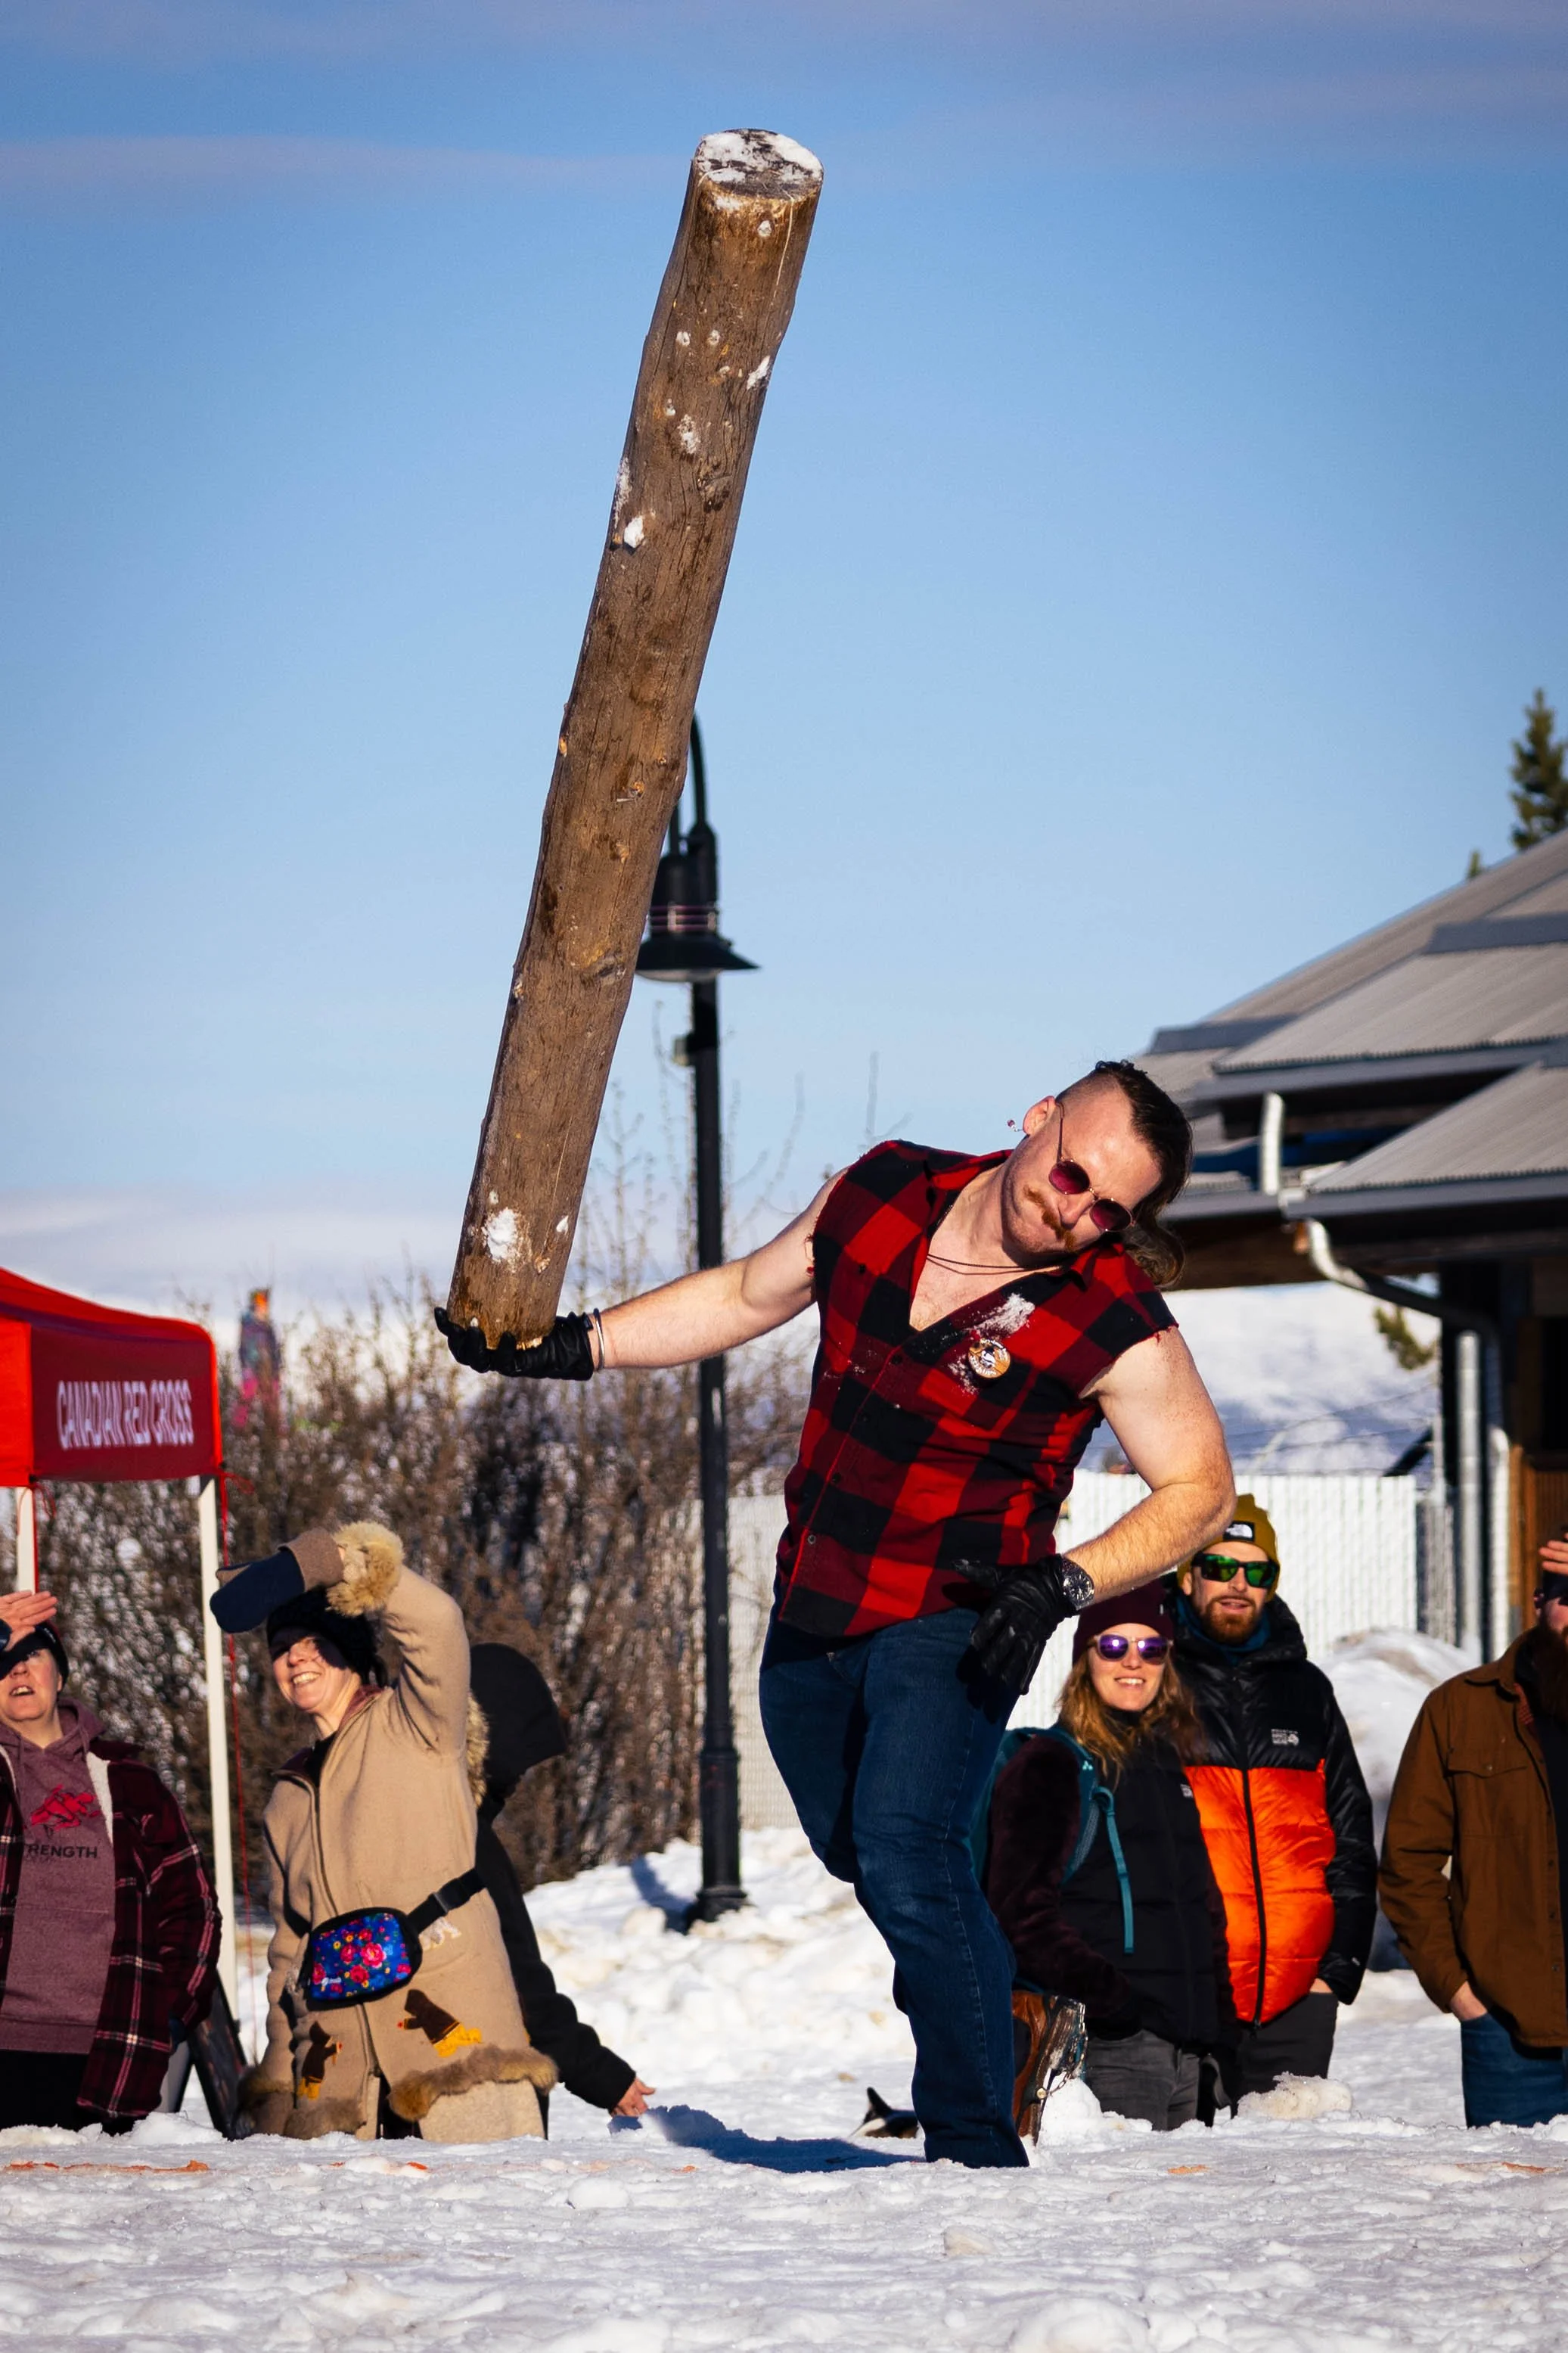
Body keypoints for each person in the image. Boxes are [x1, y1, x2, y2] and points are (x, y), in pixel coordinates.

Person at [439, 1061, 1236, 2167]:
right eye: (1072, 1177)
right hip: (816, 1596)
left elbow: (1201, 1489)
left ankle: (972, 2149)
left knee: (908, 1853)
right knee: (862, 1848)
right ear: (1040, 1114)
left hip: (961, 1611)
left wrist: (1063, 1582)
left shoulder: (1114, 1317)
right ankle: (1009, 2007)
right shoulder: (883, 1191)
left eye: (1111, 1209)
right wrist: (576, 1345)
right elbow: (747, 1294)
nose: (1076, 1212)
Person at [211, 1522, 557, 2141]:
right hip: (342, 2081)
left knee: (482, 2232)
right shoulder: (286, 1799)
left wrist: (333, 1562)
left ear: (353, 1653)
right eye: (283, 1649)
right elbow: (290, 1955)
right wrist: (276, 2084)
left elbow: (437, 1625)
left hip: (453, 2041)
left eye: (317, 1642)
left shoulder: (416, 1724)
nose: (296, 1657)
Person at [986, 1583, 1231, 2131]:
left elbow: (1199, 1905)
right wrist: (1112, 2005)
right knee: (1120, 2211)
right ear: (1084, 1661)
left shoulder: (1169, 1764)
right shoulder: (1052, 1764)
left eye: (1151, 1650)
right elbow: (1020, 1913)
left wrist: (1219, 2024)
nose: (1133, 1664)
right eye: (1113, 1647)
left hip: (1189, 2047)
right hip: (1112, 2048)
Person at [1172, 1497, 1375, 2106]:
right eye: (1219, 1567)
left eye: (1256, 1572)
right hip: (1188, 1993)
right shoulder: (1153, 1678)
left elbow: (1351, 1836)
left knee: (1289, 2186)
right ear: (1187, 1578)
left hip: (1297, 1999)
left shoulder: (1306, 1689)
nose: (1238, 1584)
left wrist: (1334, 1971)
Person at [0, 1588, 219, 2132]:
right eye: (1, 1661)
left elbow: (192, 1910)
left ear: (60, 1673)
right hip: (5, 2048)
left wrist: (165, 2014)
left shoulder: (131, 1783)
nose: (18, 1671)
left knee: (101, 2216)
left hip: (113, 2052)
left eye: (32, 1655)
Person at [1380, 1521, 1568, 2129]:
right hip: (1509, 2038)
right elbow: (1408, 1864)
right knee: (1506, 2217)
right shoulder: (1459, 1709)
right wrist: (1460, 1994)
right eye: (1566, 1595)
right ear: (1538, 1605)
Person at [467, 1643, 654, 2124]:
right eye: (519, 1765)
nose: (518, 1783)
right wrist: (596, 2071)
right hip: (474, 2089)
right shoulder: (465, 1841)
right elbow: (518, 1976)